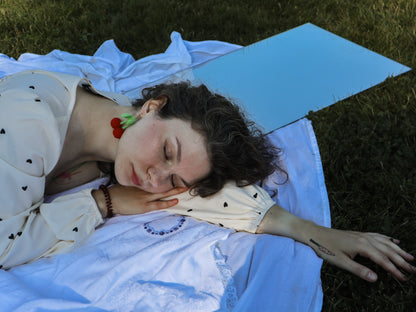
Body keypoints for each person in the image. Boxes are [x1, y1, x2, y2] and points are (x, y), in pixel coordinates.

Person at [0, 70, 414, 283]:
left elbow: (198, 190)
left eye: (175, 179)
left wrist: (307, 229)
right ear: (151, 107)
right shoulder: (27, 130)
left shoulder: (121, 126)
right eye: (166, 153)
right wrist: (102, 202)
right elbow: (6, 243)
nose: (153, 179)